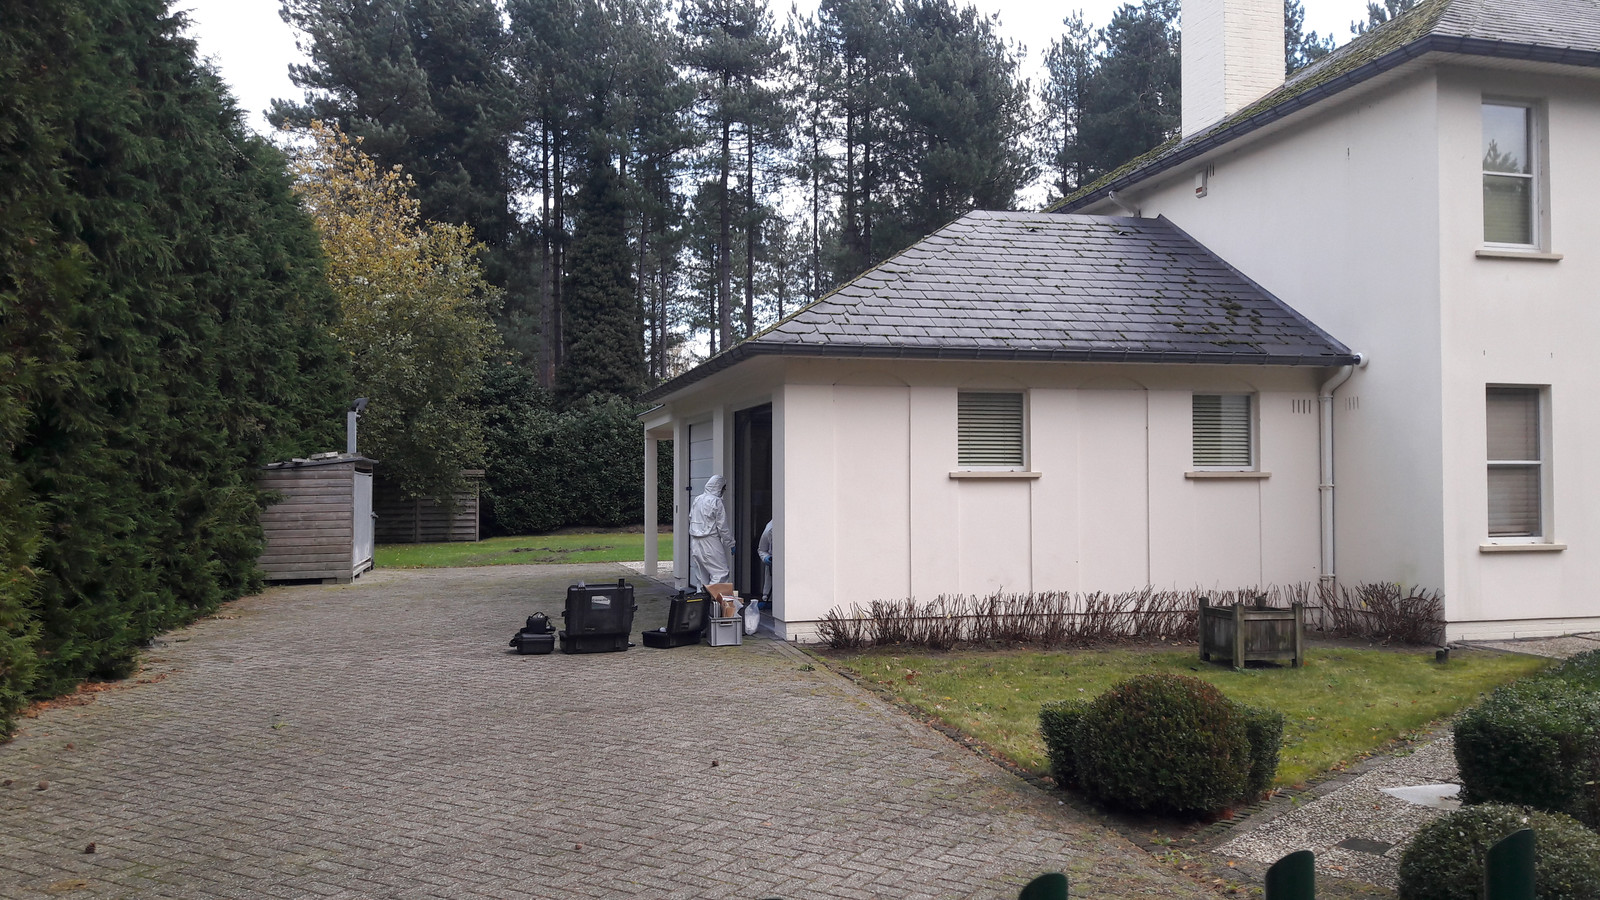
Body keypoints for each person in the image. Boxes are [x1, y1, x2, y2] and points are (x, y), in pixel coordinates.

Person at [688, 475, 734, 588]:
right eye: (723, 488)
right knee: (721, 573)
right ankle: (715, 603)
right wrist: (731, 543)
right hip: (710, 541)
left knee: (702, 578)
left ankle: (701, 603)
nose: (724, 491)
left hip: (695, 542)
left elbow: (691, 517)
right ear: (719, 487)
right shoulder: (716, 501)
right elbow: (722, 527)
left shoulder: (698, 499)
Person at [757, 519, 774, 603]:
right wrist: (766, 558)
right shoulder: (769, 530)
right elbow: (762, 549)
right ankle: (767, 599)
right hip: (773, 565)